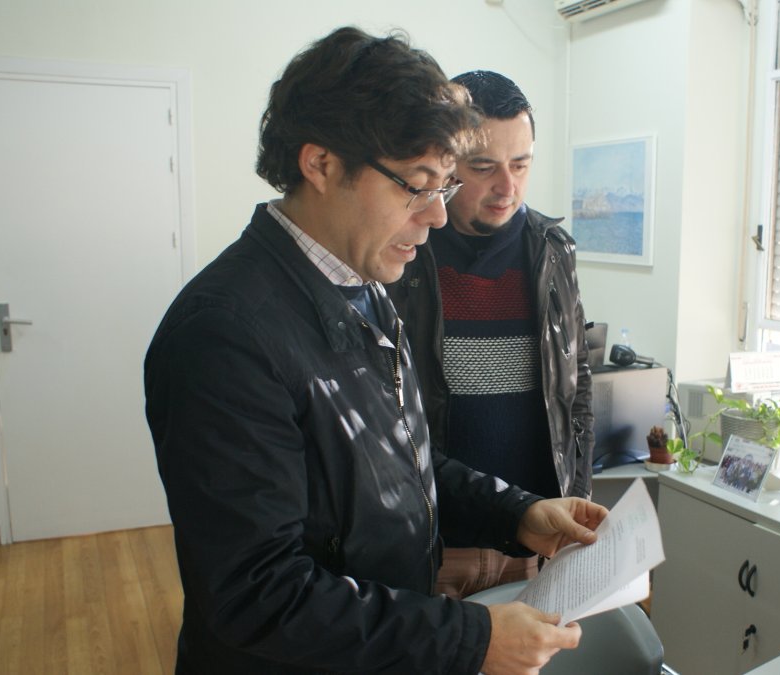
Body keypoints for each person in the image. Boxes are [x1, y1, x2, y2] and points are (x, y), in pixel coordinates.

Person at [143, 27, 607, 675]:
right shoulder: (224, 335)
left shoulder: (364, 286)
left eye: (444, 187)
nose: (437, 216)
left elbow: (400, 464)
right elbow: (257, 593)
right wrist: (469, 638)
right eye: (417, 185)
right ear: (321, 164)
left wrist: (518, 512)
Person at [387, 71, 594, 599]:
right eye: (484, 167)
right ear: (446, 163)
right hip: (433, 543)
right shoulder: (400, 255)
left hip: (537, 541)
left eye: (521, 164)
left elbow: (577, 391)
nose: (508, 187)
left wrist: (578, 497)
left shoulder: (553, 250)